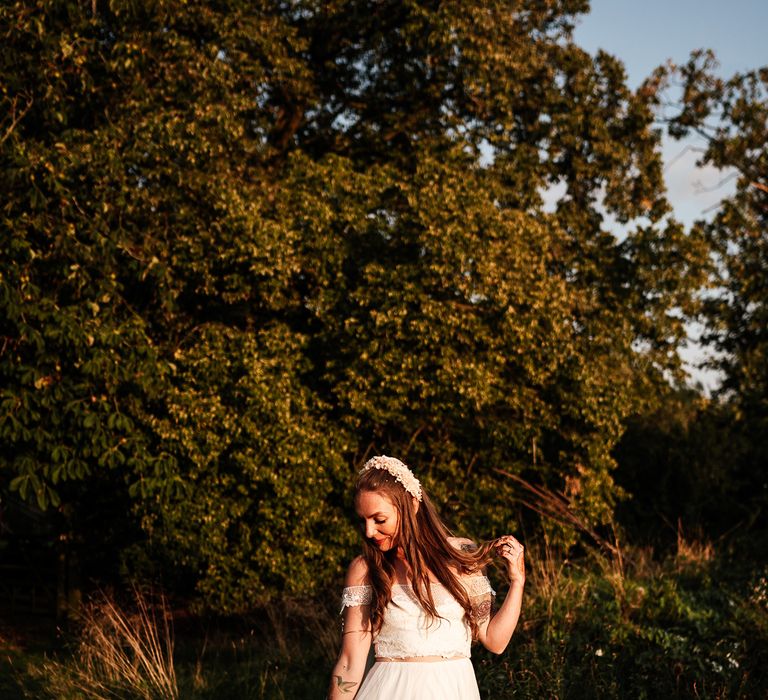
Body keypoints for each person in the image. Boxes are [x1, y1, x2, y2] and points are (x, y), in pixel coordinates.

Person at [328, 455, 526, 699]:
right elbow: (349, 663)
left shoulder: (462, 556)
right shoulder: (365, 569)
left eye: (379, 520)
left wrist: (517, 582)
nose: (369, 531)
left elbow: (495, 641)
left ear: (411, 505)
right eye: (363, 521)